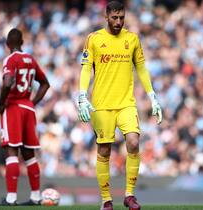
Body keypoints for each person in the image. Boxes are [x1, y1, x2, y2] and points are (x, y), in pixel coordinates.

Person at [77, 1, 162, 210]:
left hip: (126, 103)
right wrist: (81, 95)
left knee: (133, 142)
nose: (118, 21)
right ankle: (106, 200)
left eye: (121, 17)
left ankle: (129, 195)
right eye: (114, 18)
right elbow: (86, 68)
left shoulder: (132, 39)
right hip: (101, 105)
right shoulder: (94, 39)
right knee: (104, 150)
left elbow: (141, 68)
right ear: (106, 16)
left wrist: (152, 96)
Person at [0, 28, 50, 205]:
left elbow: (7, 81)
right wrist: (32, 103)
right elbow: (45, 84)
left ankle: (11, 198)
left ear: (7, 45)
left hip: (13, 107)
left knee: (11, 151)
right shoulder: (31, 59)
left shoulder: (10, 59)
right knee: (29, 154)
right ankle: (36, 197)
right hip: (28, 108)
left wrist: (1, 102)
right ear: (22, 42)